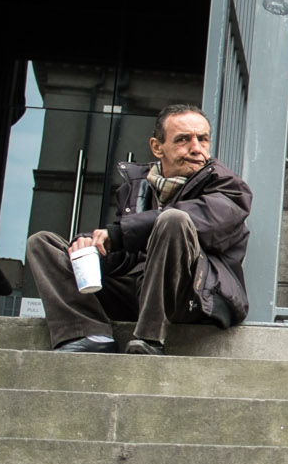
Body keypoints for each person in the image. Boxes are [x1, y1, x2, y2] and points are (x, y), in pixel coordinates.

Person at [25, 104, 252, 355]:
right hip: (138, 291)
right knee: (42, 243)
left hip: (196, 295)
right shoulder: (136, 188)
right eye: (183, 140)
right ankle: (88, 333)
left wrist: (117, 233)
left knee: (174, 220)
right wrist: (91, 243)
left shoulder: (230, 187)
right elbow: (125, 252)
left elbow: (202, 219)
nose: (196, 148)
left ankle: (150, 339)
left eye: (203, 139)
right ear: (157, 147)